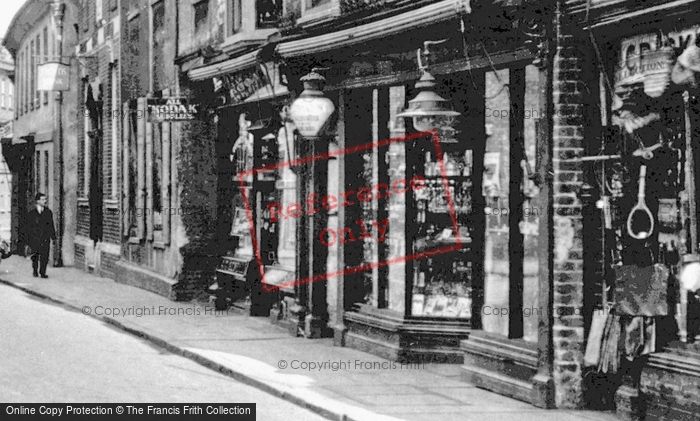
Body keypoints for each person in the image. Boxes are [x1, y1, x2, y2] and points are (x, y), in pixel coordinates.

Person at [26, 193, 56, 278]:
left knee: (45, 255)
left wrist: (53, 237)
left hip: (45, 237)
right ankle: (35, 270)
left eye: (45, 199)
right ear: (37, 201)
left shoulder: (48, 212)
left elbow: (51, 225)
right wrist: (28, 240)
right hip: (34, 238)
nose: (45, 201)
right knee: (35, 256)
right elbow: (28, 227)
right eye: (42, 199)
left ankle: (42, 272)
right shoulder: (31, 213)